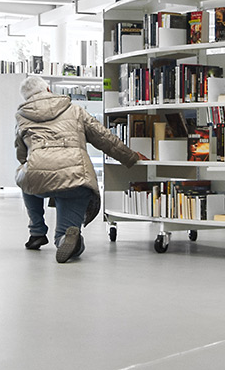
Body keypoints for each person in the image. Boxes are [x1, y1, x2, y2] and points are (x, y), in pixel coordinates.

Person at [14, 76, 146, 263]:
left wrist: (34, 164)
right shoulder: (74, 109)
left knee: (26, 175)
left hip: (38, 176)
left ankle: (37, 231)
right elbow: (104, 138)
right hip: (75, 177)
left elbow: (21, 154)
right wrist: (131, 157)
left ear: (27, 98)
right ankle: (65, 238)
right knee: (65, 232)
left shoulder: (22, 117)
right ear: (48, 90)